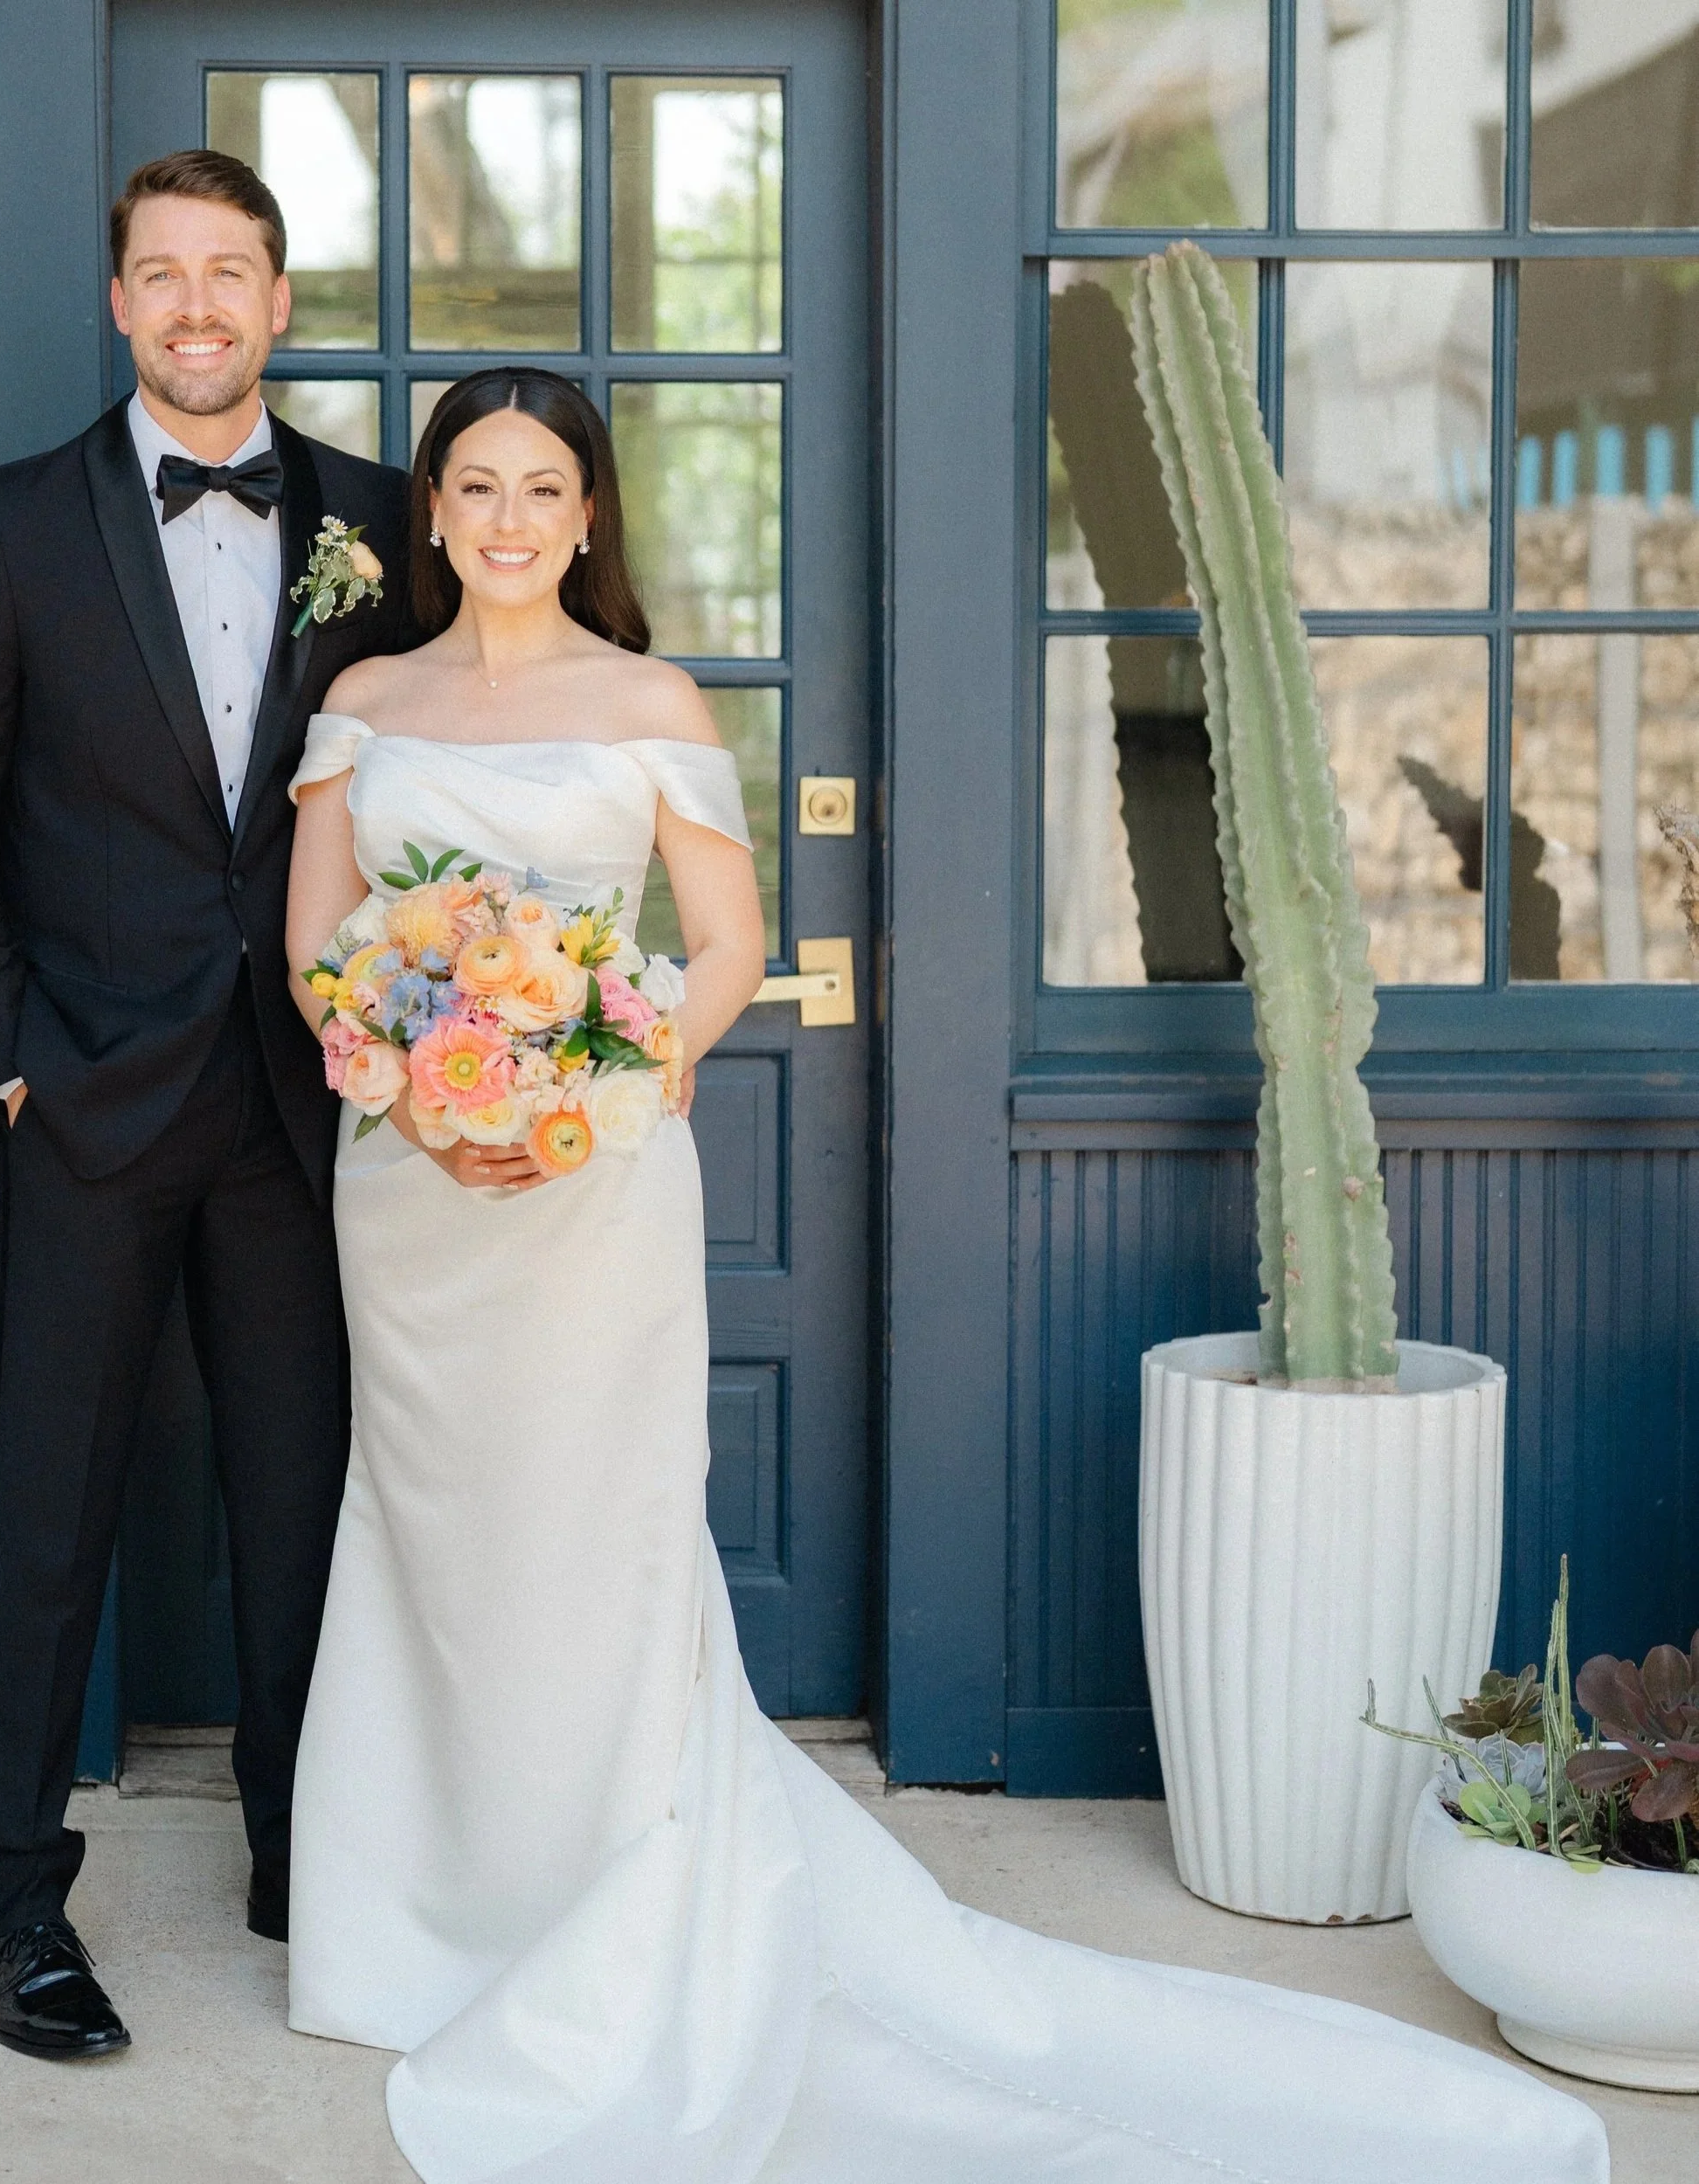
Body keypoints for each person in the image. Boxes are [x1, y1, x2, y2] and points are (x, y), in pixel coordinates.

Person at [279, 366, 1611, 2182]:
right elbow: (317, 950)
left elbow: (731, 942)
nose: (508, 520)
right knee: (426, 1526)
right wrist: (431, 1104)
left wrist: (592, 1082)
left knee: (595, 1531)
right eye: (475, 486)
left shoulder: (650, 698)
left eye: (542, 489)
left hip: (589, 1190)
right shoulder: (364, 702)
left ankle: (605, 1918)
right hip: (409, 1190)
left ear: (588, 515)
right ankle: (422, 1927)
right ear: (429, 509)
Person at [0, 149, 415, 2061]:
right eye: (161, 273)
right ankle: (12, 1897)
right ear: (118, 302)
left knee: (304, 1509)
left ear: (278, 300)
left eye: (232, 272)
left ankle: (311, 1856)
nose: (197, 306)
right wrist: (3, 1051)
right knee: (48, 1513)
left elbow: (442, 777)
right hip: (82, 1102)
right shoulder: (9, 523)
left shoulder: (384, 516)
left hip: (302, 1100)